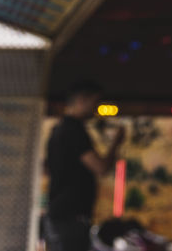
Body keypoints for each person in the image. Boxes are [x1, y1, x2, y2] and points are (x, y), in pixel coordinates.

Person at [44, 80, 124, 251]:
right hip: (70, 215)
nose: (95, 108)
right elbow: (100, 167)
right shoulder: (73, 130)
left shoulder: (58, 130)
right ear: (82, 100)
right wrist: (116, 143)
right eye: (95, 102)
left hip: (61, 214)